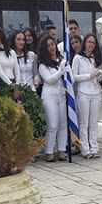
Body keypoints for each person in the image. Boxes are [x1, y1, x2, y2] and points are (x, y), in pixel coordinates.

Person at [36, 34, 68, 163]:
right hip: (49, 96)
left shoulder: (62, 60)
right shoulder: (43, 65)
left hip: (62, 95)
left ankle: (61, 151)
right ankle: (49, 152)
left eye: (52, 44)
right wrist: (61, 71)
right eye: (48, 46)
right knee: (53, 125)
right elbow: (49, 80)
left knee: (62, 124)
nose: (51, 47)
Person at [72, 33, 102, 159]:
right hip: (83, 92)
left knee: (94, 123)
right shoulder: (78, 58)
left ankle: (94, 148)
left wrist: (99, 74)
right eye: (89, 42)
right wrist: (89, 76)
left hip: (96, 92)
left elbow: (100, 76)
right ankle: (85, 149)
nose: (91, 45)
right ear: (85, 43)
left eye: (93, 43)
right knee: (83, 122)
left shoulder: (97, 58)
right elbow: (74, 77)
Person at [0, 26, 20, 91]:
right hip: (1, 83)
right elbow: (0, 73)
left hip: (13, 82)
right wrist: (11, 85)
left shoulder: (11, 52)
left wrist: (17, 85)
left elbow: (17, 72)